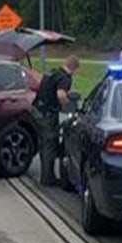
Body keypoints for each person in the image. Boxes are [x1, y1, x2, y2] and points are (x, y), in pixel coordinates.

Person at [32, 55, 80, 186]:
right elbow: (60, 94)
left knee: (43, 145)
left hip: (37, 111)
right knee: (50, 145)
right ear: (74, 69)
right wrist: (69, 108)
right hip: (47, 115)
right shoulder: (65, 78)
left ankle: (45, 175)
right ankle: (48, 179)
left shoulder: (52, 73)